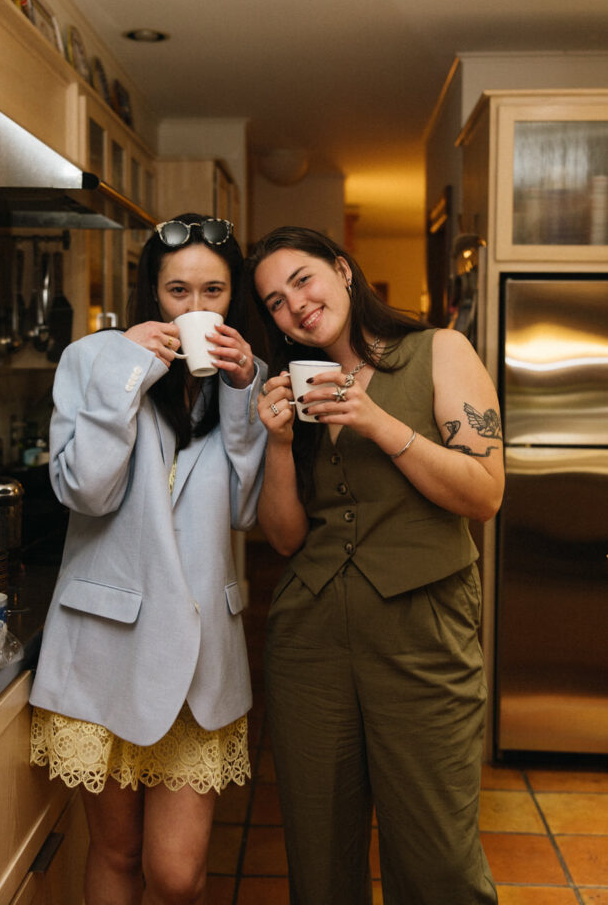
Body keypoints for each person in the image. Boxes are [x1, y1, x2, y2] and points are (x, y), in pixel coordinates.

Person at [246, 226, 504, 905]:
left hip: (423, 637)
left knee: (437, 862)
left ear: (342, 269)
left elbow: (484, 494)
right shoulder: (292, 394)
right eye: (274, 300)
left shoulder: (438, 352)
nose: (295, 305)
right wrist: (275, 444)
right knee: (320, 858)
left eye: (303, 279)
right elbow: (283, 539)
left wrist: (378, 423)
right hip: (309, 642)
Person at [29, 213, 267, 905]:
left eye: (213, 291)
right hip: (105, 648)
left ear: (233, 298)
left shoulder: (242, 381)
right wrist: (128, 368)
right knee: (117, 851)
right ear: (151, 294)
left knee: (176, 873)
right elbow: (85, 491)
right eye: (178, 291)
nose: (195, 309)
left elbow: (245, 512)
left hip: (200, 662)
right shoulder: (91, 360)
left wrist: (242, 392)